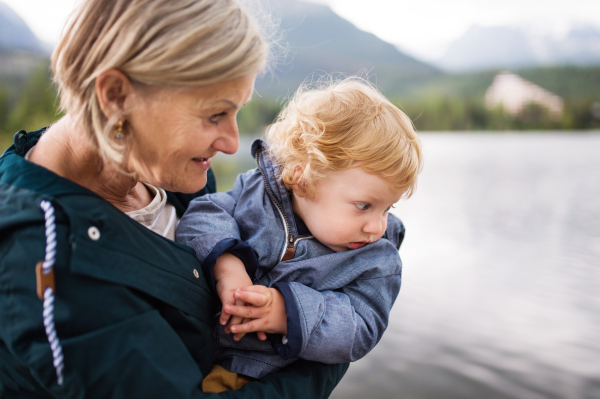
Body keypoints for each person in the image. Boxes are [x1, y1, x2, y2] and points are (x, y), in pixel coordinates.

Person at [0, 0, 348, 397]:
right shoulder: (47, 265)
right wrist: (337, 334)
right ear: (116, 96)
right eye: (214, 114)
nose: (232, 141)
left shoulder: (175, 174)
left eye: (237, 112)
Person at [176, 79, 423, 393]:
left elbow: (361, 327)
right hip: (191, 346)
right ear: (304, 178)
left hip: (258, 376)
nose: (377, 226)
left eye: (387, 207)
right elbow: (204, 213)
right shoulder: (256, 192)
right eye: (364, 206)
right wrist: (228, 266)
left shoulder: (376, 261)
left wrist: (286, 312)